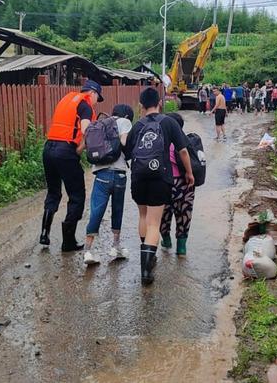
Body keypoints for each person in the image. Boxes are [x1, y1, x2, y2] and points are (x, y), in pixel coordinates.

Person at [125, 87, 194, 285]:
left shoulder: (137, 125)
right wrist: (189, 173)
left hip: (138, 178)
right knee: (154, 223)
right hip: (159, 178)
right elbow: (183, 151)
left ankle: (148, 253)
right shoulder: (169, 122)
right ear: (160, 103)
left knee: (143, 216)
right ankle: (146, 271)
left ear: (141, 106)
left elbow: (128, 152)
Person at [39, 79, 103, 252]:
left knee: (53, 192)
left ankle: (44, 234)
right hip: (65, 151)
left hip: (49, 148)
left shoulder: (67, 99)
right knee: (76, 196)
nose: (97, 102)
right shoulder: (86, 105)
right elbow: (87, 130)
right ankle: (68, 242)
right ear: (93, 93)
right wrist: (80, 149)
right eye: (98, 97)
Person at [83, 104, 134, 265]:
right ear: (126, 116)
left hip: (101, 174)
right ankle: (115, 247)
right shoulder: (124, 122)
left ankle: (88, 251)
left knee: (96, 211)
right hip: (119, 174)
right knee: (117, 209)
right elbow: (125, 143)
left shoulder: (102, 123)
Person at [160, 113, 195, 256]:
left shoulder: (161, 141)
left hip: (165, 183)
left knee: (163, 214)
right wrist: (189, 173)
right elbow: (186, 155)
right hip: (184, 182)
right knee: (184, 213)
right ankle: (181, 248)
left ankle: (166, 240)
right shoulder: (186, 141)